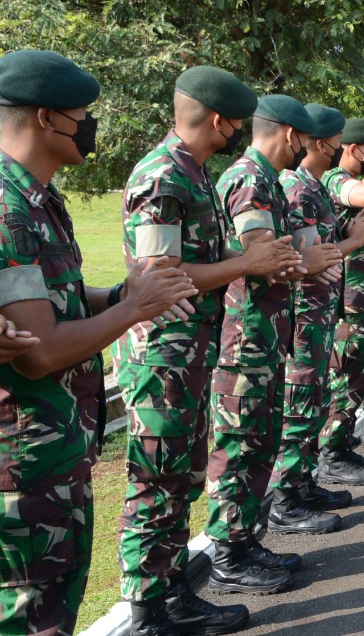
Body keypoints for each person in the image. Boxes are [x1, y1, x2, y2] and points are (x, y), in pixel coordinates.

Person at [0, 50, 197, 636]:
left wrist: (115, 296)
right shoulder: (9, 208)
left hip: (56, 445)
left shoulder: (35, 197)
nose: (91, 126)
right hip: (26, 456)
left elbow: (48, 298)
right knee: (32, 615)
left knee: (54, 602)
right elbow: (39, 351)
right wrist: (137, 309)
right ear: (46, 118)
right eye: (83, 113)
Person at [118, 66, 300, 634]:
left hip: (190, 351)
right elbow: (158, 277)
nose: (236, 136)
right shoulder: (164, 176)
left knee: (182, 476)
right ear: (219, 120)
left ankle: (173, 594)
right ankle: (149, 613)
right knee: (156, 481)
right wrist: (246, 263)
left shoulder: (193, 173)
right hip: (161, 358)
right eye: (235, 126)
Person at [205, 95, 336, 593]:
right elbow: (268, 256)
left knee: (259, 437)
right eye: (303, 139)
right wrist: (301, 258)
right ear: (289, 134)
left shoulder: (267, 181)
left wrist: (301, 257)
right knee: (237, 443)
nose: (303, 149)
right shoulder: (249, 178)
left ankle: (244, 539)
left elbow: (298, 255)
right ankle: (227, 555)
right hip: (245, 333)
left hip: (267, 329)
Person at [268, 104, 364, 533]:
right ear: (319, 143)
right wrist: (352, 242)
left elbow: (320, 256)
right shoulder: (296, 188)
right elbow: (304, 261)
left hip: (320, 312)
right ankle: (283, 498)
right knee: (298, 405)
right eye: (335, 143)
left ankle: (301, 483)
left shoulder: (311, 186)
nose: (338, 150)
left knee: (311, 402)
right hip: (301, 315)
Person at [319, 118, 364, 484]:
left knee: (360, 374)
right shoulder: (334, 180)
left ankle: (343, 442)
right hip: (349, 300)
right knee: (345, 375)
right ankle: (330, 453)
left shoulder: (359, 179)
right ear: (353, 149)